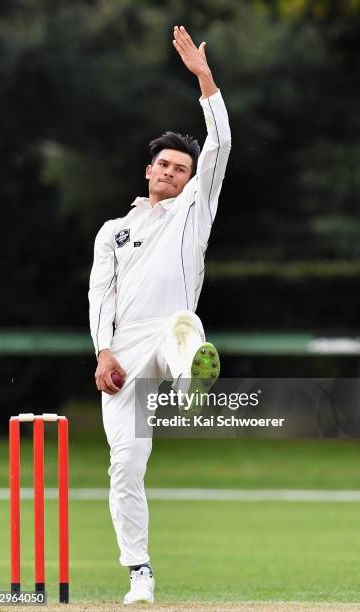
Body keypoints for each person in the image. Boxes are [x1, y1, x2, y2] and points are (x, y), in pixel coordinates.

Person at [88, 25, 231, 605]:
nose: (172, 173)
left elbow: (219, 144)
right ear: (149, 170)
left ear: (192, 180)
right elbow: (100, 296)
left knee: (183, 331)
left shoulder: (193, 213)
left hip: (173, 329)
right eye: (164, 166)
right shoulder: (113, 231)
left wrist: (204, 80)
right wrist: (101, 353)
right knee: (124, 466)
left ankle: (190, 373)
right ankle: (139, 574)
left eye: (182, 168)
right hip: (123, 348)